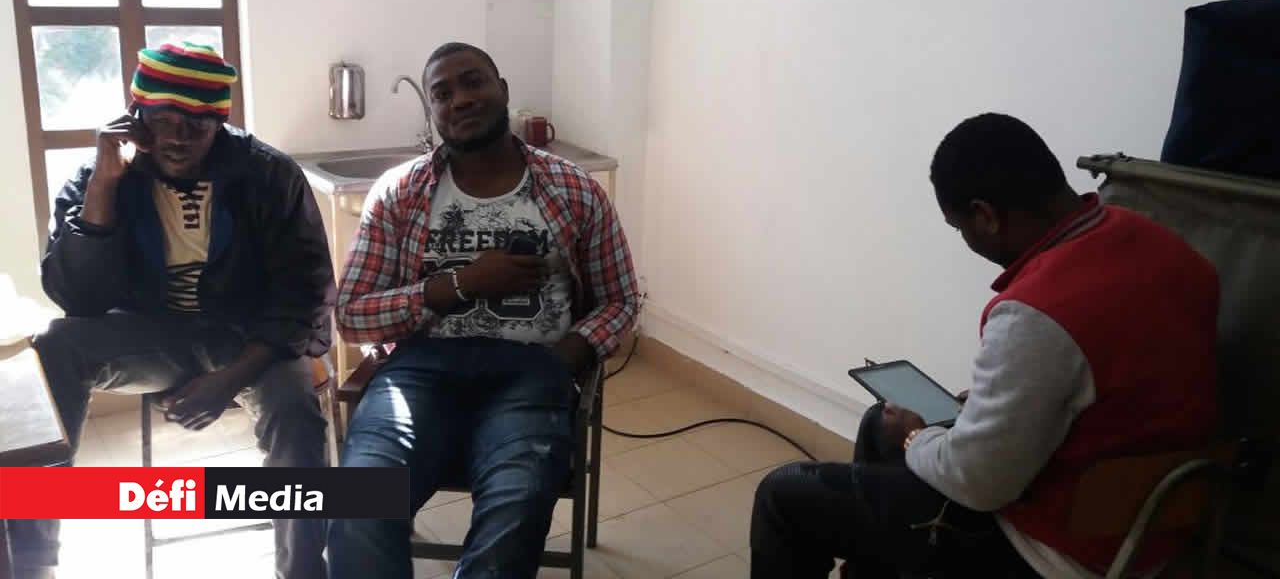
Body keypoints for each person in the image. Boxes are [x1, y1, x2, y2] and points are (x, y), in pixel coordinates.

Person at [750, 113, 1219, 578]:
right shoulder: (1163, 245)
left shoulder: (1037, 313)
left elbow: (978, 482)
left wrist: (916, 436)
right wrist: (1004, 404)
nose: (966, 240)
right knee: (879, 421)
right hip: (1151, 519)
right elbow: (1115, 378)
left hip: (1053, 551)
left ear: (986, 215)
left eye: (960, 228)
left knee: (784, 494)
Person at [14, 43, 336, 579]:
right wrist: (104, 186)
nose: (178, 138)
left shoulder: (267, 175)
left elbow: (304, 293)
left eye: (196, 125)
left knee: (295, 414)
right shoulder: (103, 175)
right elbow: (78, 299)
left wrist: (229, 380)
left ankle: (302, 570)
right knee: (53, 349)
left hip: (252, 339)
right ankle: (30, 563)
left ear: (220, 125)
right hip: (153, 335)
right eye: (163, 121)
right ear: (136, 118)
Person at [326, 42, 640, 579]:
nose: (461, 99)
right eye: (443, 93)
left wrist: (568, 353)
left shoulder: (573, 189)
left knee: (516, 507)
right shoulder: (399, 193)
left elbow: (621, 298)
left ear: (503, 91)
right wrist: (457, 286)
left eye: (473, 82)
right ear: (432, 110)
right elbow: (352, 314)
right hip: (419, 371)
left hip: (531, 370)